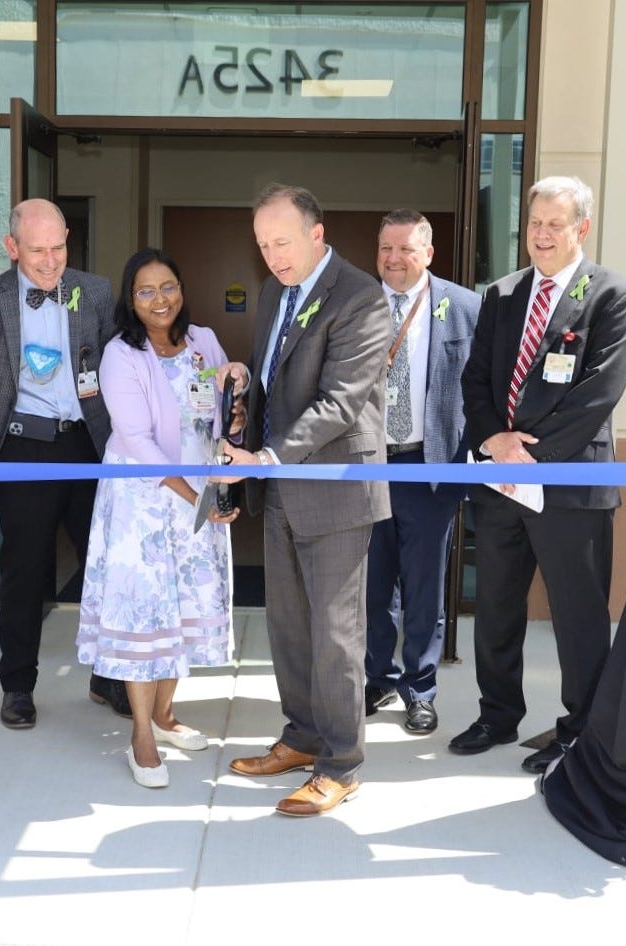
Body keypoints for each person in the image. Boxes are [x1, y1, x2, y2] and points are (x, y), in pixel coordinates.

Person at [454, 175, 626, 773]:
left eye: (553, 225)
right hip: (501, 483)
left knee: (578, 617)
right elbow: (476, 379)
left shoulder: (613, 294)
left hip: (569, 485)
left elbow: (598, 395)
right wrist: (493, 441)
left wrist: (528, 455)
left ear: (580, 228)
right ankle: (497, 714)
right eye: (534, 224)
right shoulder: (503, 293)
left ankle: (582, 730)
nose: (540, 235)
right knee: (497, 608)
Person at [220, 183, 392, 817]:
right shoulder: (275, 292)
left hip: (338, 491)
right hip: (285, 489)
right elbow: (280, 378)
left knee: (336, 637)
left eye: (281, 242)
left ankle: (341, 763)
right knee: (288, 628)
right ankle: (301, 737)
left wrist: (264, 457)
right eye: (262, 244)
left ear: (317, 234)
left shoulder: (361, 298)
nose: (271, 255)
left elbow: (340, 404)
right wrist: (246, 378)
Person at [76, 248, 247, 788]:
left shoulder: (203, 341)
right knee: (146, 615)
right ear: (131, 298)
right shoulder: (120, 354)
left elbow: (222, 414)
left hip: (196, 494)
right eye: (146, 290)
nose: (159, 299)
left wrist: (236, 402)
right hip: (144, 505)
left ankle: (167, 716)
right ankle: (142, 736)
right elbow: (137, 441)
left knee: (185, 609)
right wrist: (193, 494)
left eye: (168, 286)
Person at [0, 198, 130, 729]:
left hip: (87, 444)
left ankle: (109, 678)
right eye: (37, 249)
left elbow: (116, 364)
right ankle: (17, 685)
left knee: (103, 562)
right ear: (11, 247)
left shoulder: (97, 291)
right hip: (23, 446)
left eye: (58, 247)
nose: (49, 259)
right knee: (24, 571)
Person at [363, 210, 481, 736]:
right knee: (372, 581)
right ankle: (378, 677)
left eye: (406, 249)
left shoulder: (463, 307)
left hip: (429, 465)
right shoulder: (357, 305)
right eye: (386, 248)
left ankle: (421, 688)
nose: (394, 259)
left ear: (428, 253)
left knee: (424, 585)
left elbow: (483, 389)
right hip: (366, 464)